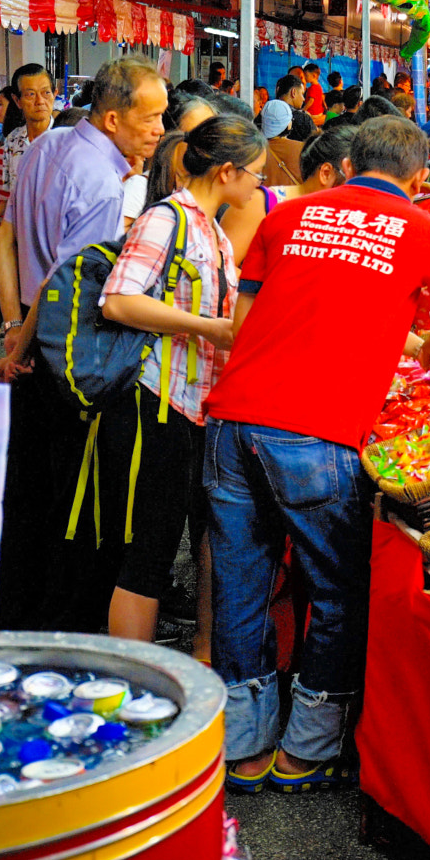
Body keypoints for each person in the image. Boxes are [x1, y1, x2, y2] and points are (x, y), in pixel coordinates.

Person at [207, 116, 430, 792]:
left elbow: (241, 324)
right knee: (335, 591)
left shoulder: (288, 214)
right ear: (420, 179)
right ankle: (307, 748)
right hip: (319, 433)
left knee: (240, 585)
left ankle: (242, 746)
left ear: (350, 162)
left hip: (234, 421)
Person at [0, 57, 168, 631]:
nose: (160, 130)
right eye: (152, 116)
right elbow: (70, 286)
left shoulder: (48, 145)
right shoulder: (102, 186)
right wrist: (22, 343)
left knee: (27, 499)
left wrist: (14, 326)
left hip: (33, 349)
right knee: (73, 506)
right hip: (69, 363)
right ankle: (62, 628)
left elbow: (7, 237)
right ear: (113, 118)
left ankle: (15, 613)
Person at [95, 114, 266, 641]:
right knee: (151, 547)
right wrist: (207, 329)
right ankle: (132, 684)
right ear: (227, 172)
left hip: (194, 406)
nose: (260, 184)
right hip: (158, 401)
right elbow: (119, 301)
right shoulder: (166, 220)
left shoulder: (210, 227)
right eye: (256, 173)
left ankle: (193, 663)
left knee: (194, 537)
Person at [0, 64, 58, 343]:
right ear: (17, 100)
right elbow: (14, 199)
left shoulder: (68, 137)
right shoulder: (12, 142)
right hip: (22, 243)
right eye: (30, 95)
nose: (40, 101)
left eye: (46, 93)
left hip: (56, 245)